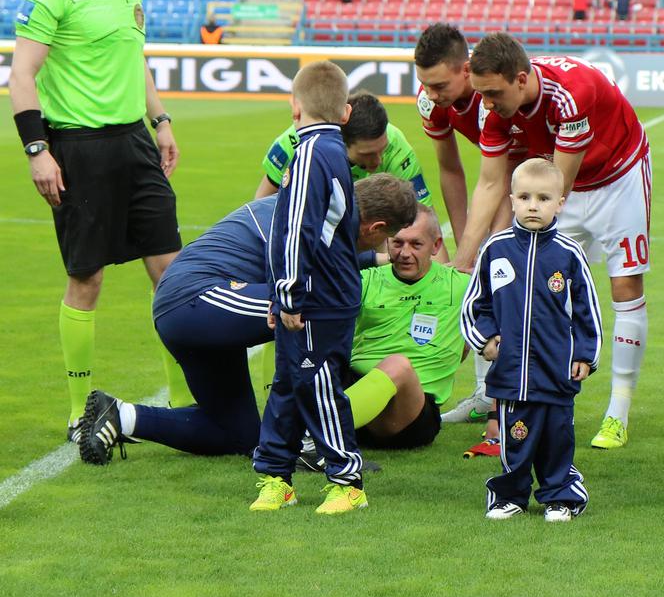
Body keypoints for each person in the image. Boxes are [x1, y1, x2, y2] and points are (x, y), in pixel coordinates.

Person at [77, 174, 419, 465]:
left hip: (198, 309)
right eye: (389, 238)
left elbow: (337, 256)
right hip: (193, 300)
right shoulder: (310, 220)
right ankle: (310, 441)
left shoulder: (322, 208)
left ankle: (121, 416)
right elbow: (303, 278)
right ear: (375, 227)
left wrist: (380, 261)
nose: (392, 246)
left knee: (234, 434)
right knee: (310, 310)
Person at [9, 0, 186, 443]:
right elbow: (21, 75)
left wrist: (160, 121)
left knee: (173, 275)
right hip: (78, 149)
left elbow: (137, 60)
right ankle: (77, 406)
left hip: (134, 143)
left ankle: (184, 401)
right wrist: (37, 151)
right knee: (87, 279)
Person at [454, 33, 650, 450]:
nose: (486, 104)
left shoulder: (569, 96)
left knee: (625, 285)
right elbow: (490, 184)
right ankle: (528, 402)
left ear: (521, 79)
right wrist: (465, 260)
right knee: (530, 285)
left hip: (618, 176)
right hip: (558, 185)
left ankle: (618, 411)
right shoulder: (497, 112)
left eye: (493, 94)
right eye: (481, 94)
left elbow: (559, 187)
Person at [250, 61, 367, 515]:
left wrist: (290, 294)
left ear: (294, 107)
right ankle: (276, 476)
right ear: (346, 112)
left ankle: (346, 479)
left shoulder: (311, 154)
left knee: (316, 384)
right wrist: (278, 295)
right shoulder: (331, 151)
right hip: (315, 293)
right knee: (287, 383)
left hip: (317, 297)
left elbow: (297, 227)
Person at [461, 158, 602, 522]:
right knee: (515, 439)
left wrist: (585, 354)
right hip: (510, 373)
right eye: (524, 197)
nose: (533, 205)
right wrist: (485, 338)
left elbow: (588, 311)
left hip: (556, 371)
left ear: (560, 203)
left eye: (543, 198)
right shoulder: (496, 248)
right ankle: (510, 495)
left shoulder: (569, 254)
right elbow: (476, 303)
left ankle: (561, 497)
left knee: (557, 440)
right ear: (511, 200)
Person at [414, 23, 526, 435]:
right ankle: (485, 394)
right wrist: (466, 238)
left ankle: (512, 397)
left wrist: (486, 243)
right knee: (482, 278)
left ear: (465, 70)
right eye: (424, 84)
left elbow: (506, 172)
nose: (431, 93)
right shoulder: (432, 104)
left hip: (532, 180)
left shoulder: (489, 95)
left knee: (506, 282)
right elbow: (450, 169)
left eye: (439, 84)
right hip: (497, 180)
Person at [349, 205, 469, 450]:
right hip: (358, 389)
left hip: (410, 417)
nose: (404, 253)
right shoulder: (366, 281)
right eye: (397, 243)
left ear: (436, 246)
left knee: (399, 365)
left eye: (416, 244)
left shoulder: (462, 287)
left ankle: (314, 436)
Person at [255, 90, 432, 206]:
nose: (378, 161)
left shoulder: (397, 146)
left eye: (382, 150)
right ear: (341, 141)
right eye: (368, 154)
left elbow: (423, 216)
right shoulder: (295, 141)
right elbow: (262, 204)